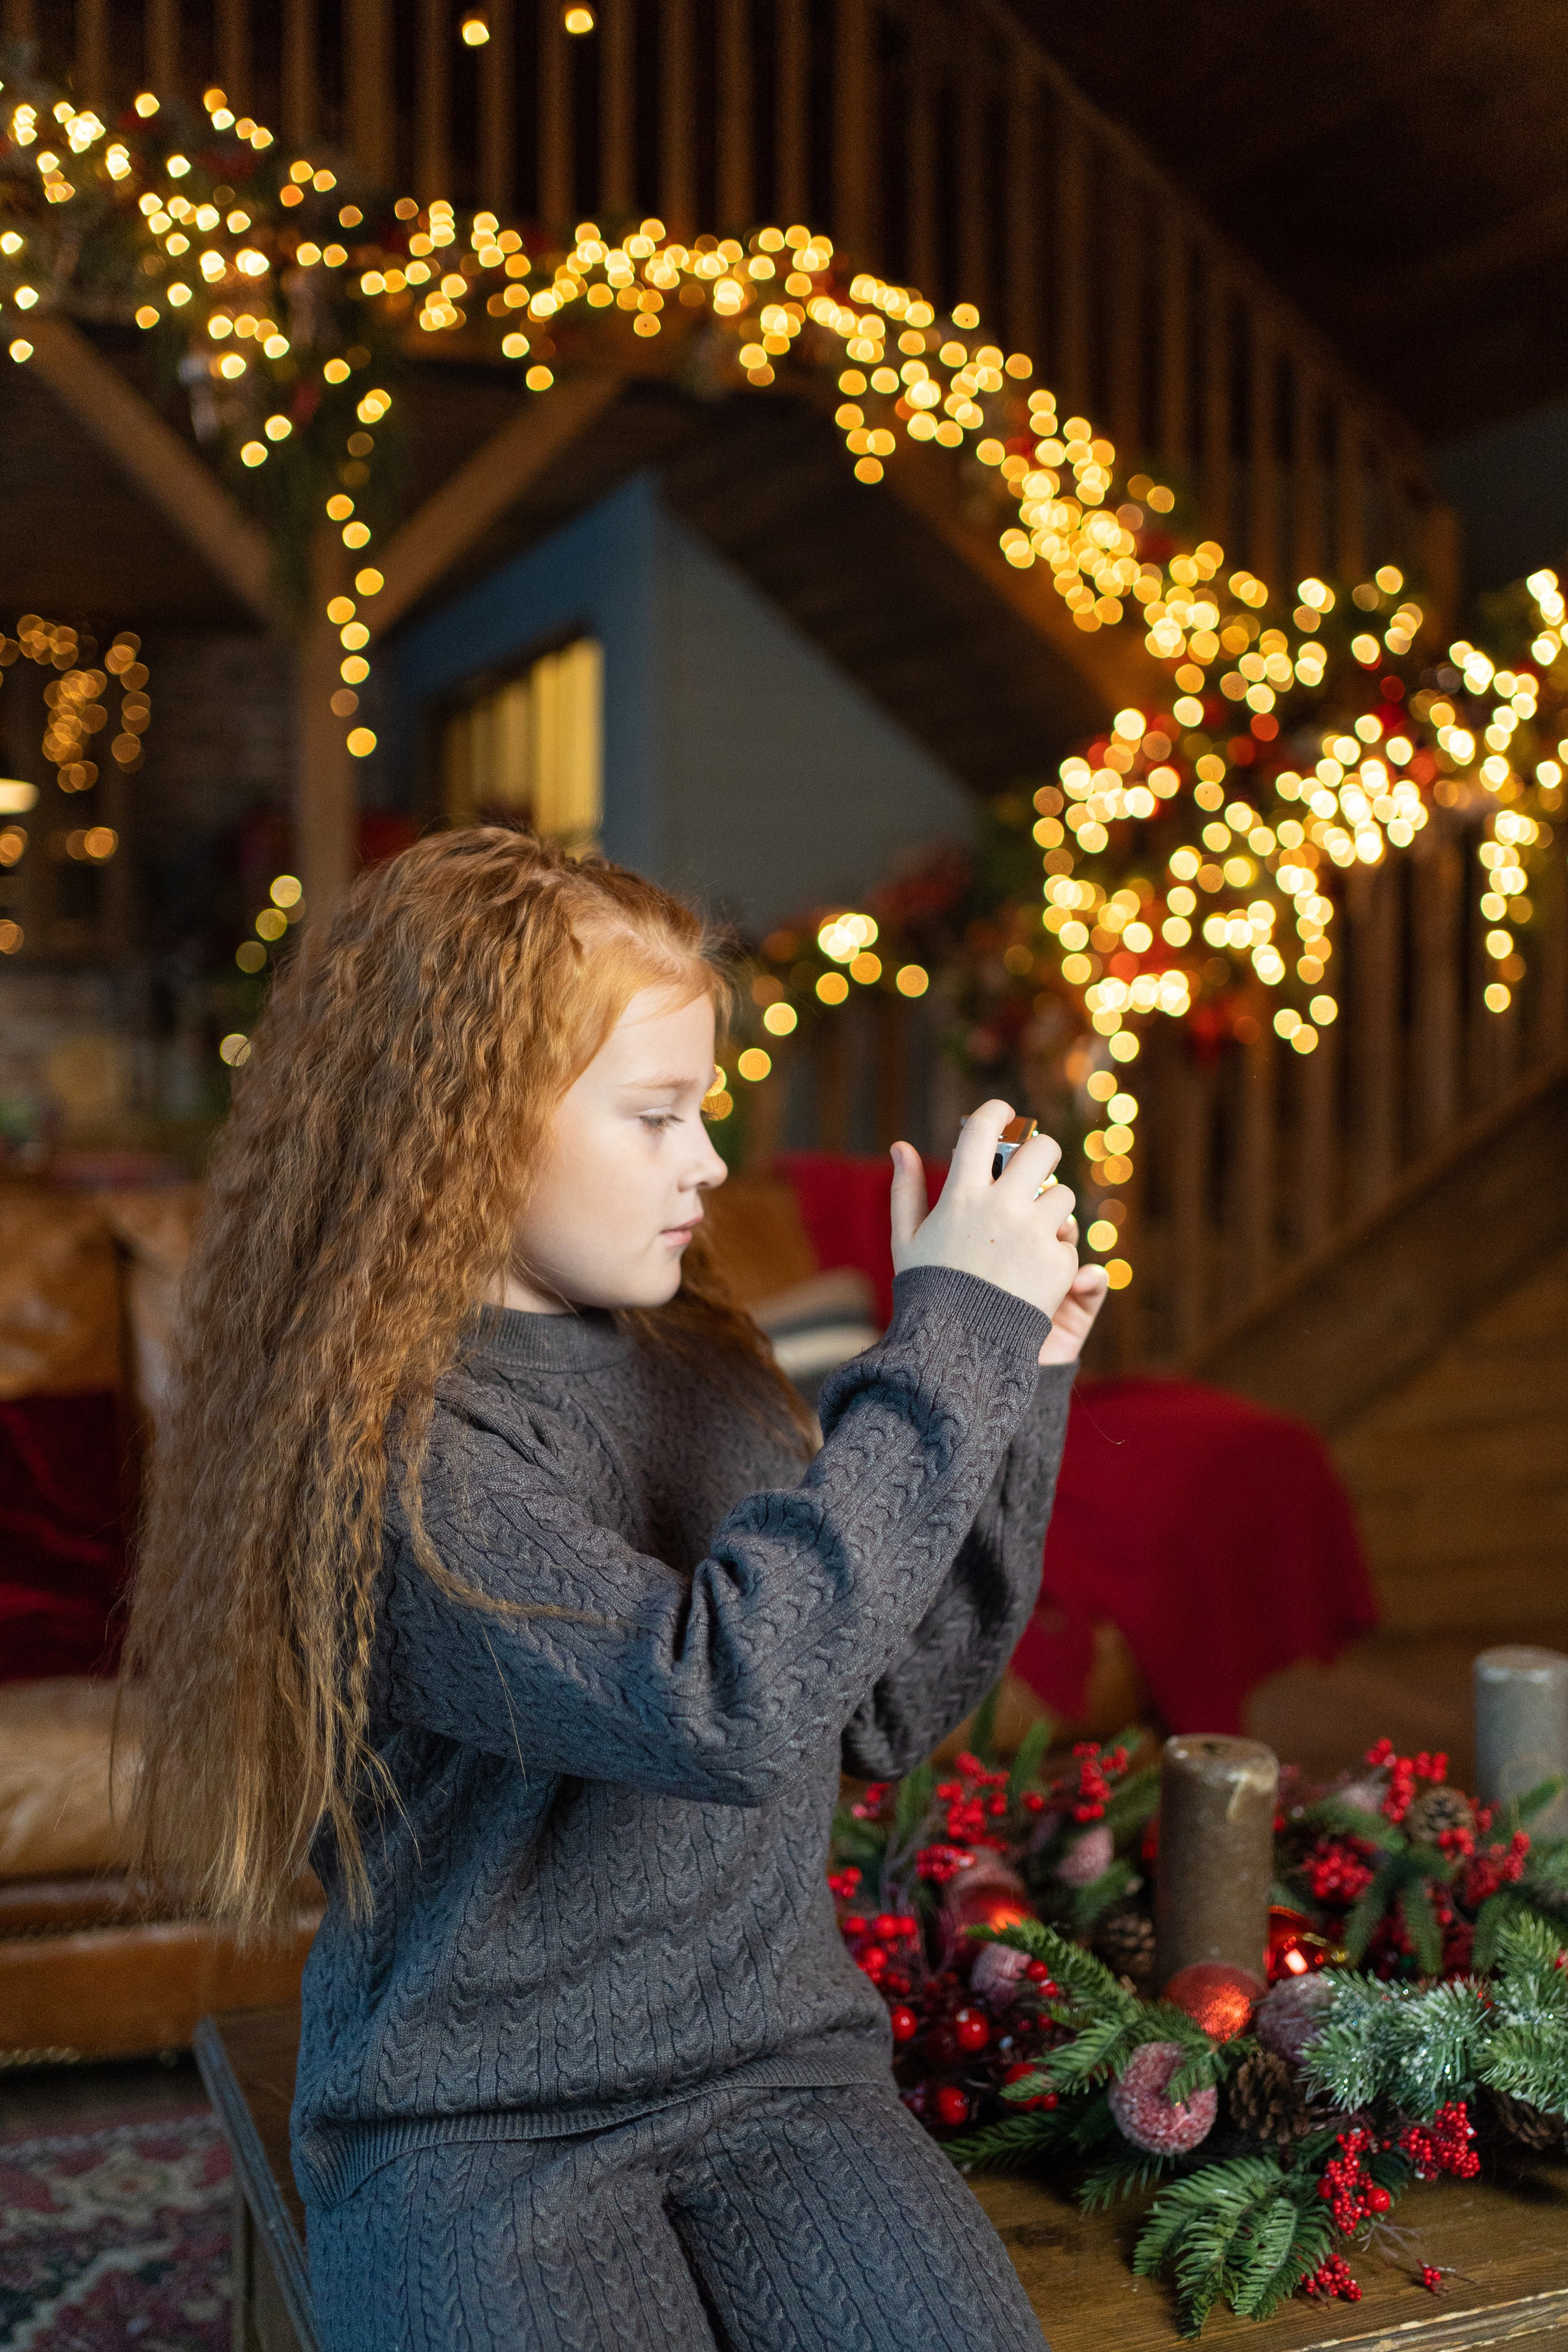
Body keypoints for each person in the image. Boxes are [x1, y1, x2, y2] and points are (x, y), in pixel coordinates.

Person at [126, 829, 1107, 2352]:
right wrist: (942, 1351)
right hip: (476, 2120)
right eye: (656, 1116)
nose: (707, 1161)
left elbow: (882, 1704)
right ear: (463, 1124)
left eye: (700, 1110)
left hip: (777, 2065)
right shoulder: (392, 1453)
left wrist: (1011, 1377)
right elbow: (715, 1701)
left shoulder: (705, 1360)